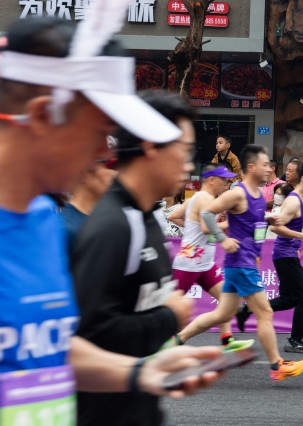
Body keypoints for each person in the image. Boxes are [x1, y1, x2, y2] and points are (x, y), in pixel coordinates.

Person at [0, 13, 219, 420]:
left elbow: (52, 349)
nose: (108, 152)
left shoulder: (40, 218)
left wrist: (141, 373)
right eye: (100, 131)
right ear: (45, 116)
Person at [71, 90, 205, 425]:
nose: (190, 164)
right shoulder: (113, 225)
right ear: (150, 146)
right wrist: (169, 317)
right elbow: (87, 334)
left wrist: (167, 359)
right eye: (185, 150)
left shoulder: (146, 217)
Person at [177, 145, 303, 381]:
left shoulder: (258, 195)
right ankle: (277, 365)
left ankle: (176, 340)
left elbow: (250, 222)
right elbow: (207, 214)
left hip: (242, 263)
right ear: (251, 167)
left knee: (222, 314)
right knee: (265, 312)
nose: (269, 169)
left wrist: (268, 218)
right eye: (264, 164)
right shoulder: (238, 193)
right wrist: (223, 239)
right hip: (241, 263)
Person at [236, 162, 303, 354]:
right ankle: (295, 341)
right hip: (285, 254)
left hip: (288, 254)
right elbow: (275, 227)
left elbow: (289, 225)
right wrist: (301, 236)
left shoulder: (299, 200)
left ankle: (247, 310)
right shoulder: (293, 201)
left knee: (289, 299)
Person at [168, 165, 254, 352]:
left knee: (226, 300)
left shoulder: (196, 197)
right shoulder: (206, 199)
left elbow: (174, 216)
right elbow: (206, 229)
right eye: (224, 180)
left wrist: (192, 229)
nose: (226, 184)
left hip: (204, 264)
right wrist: (231, 223)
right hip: (189, 263)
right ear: (211, 180)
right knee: (170, 308)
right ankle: (162, 343)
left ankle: (227, 340)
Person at [61, 162, 117, 255]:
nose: (115, 173)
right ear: (85, 174)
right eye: (108, 166)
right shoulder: (65, 228)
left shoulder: (111, 220)